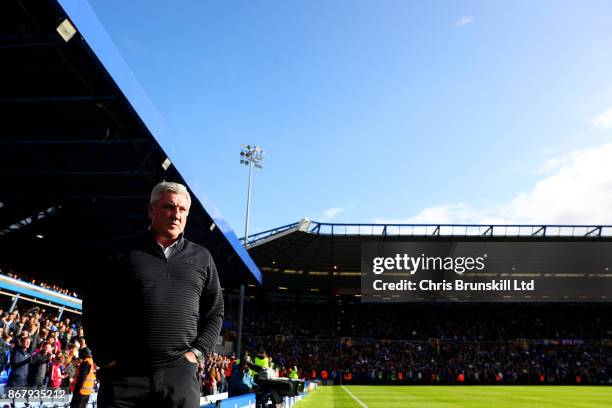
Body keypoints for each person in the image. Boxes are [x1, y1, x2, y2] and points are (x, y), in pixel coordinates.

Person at [83, 181, 224, 408]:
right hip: (124, 375)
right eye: (169, 207)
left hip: (179, 376)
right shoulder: (121, 251)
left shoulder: (202, 257)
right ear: (151, 210)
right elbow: (93, 306)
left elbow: (215, 311)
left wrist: (196, 354)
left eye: (182, 210)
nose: (176, 215)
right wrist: (104, 357)